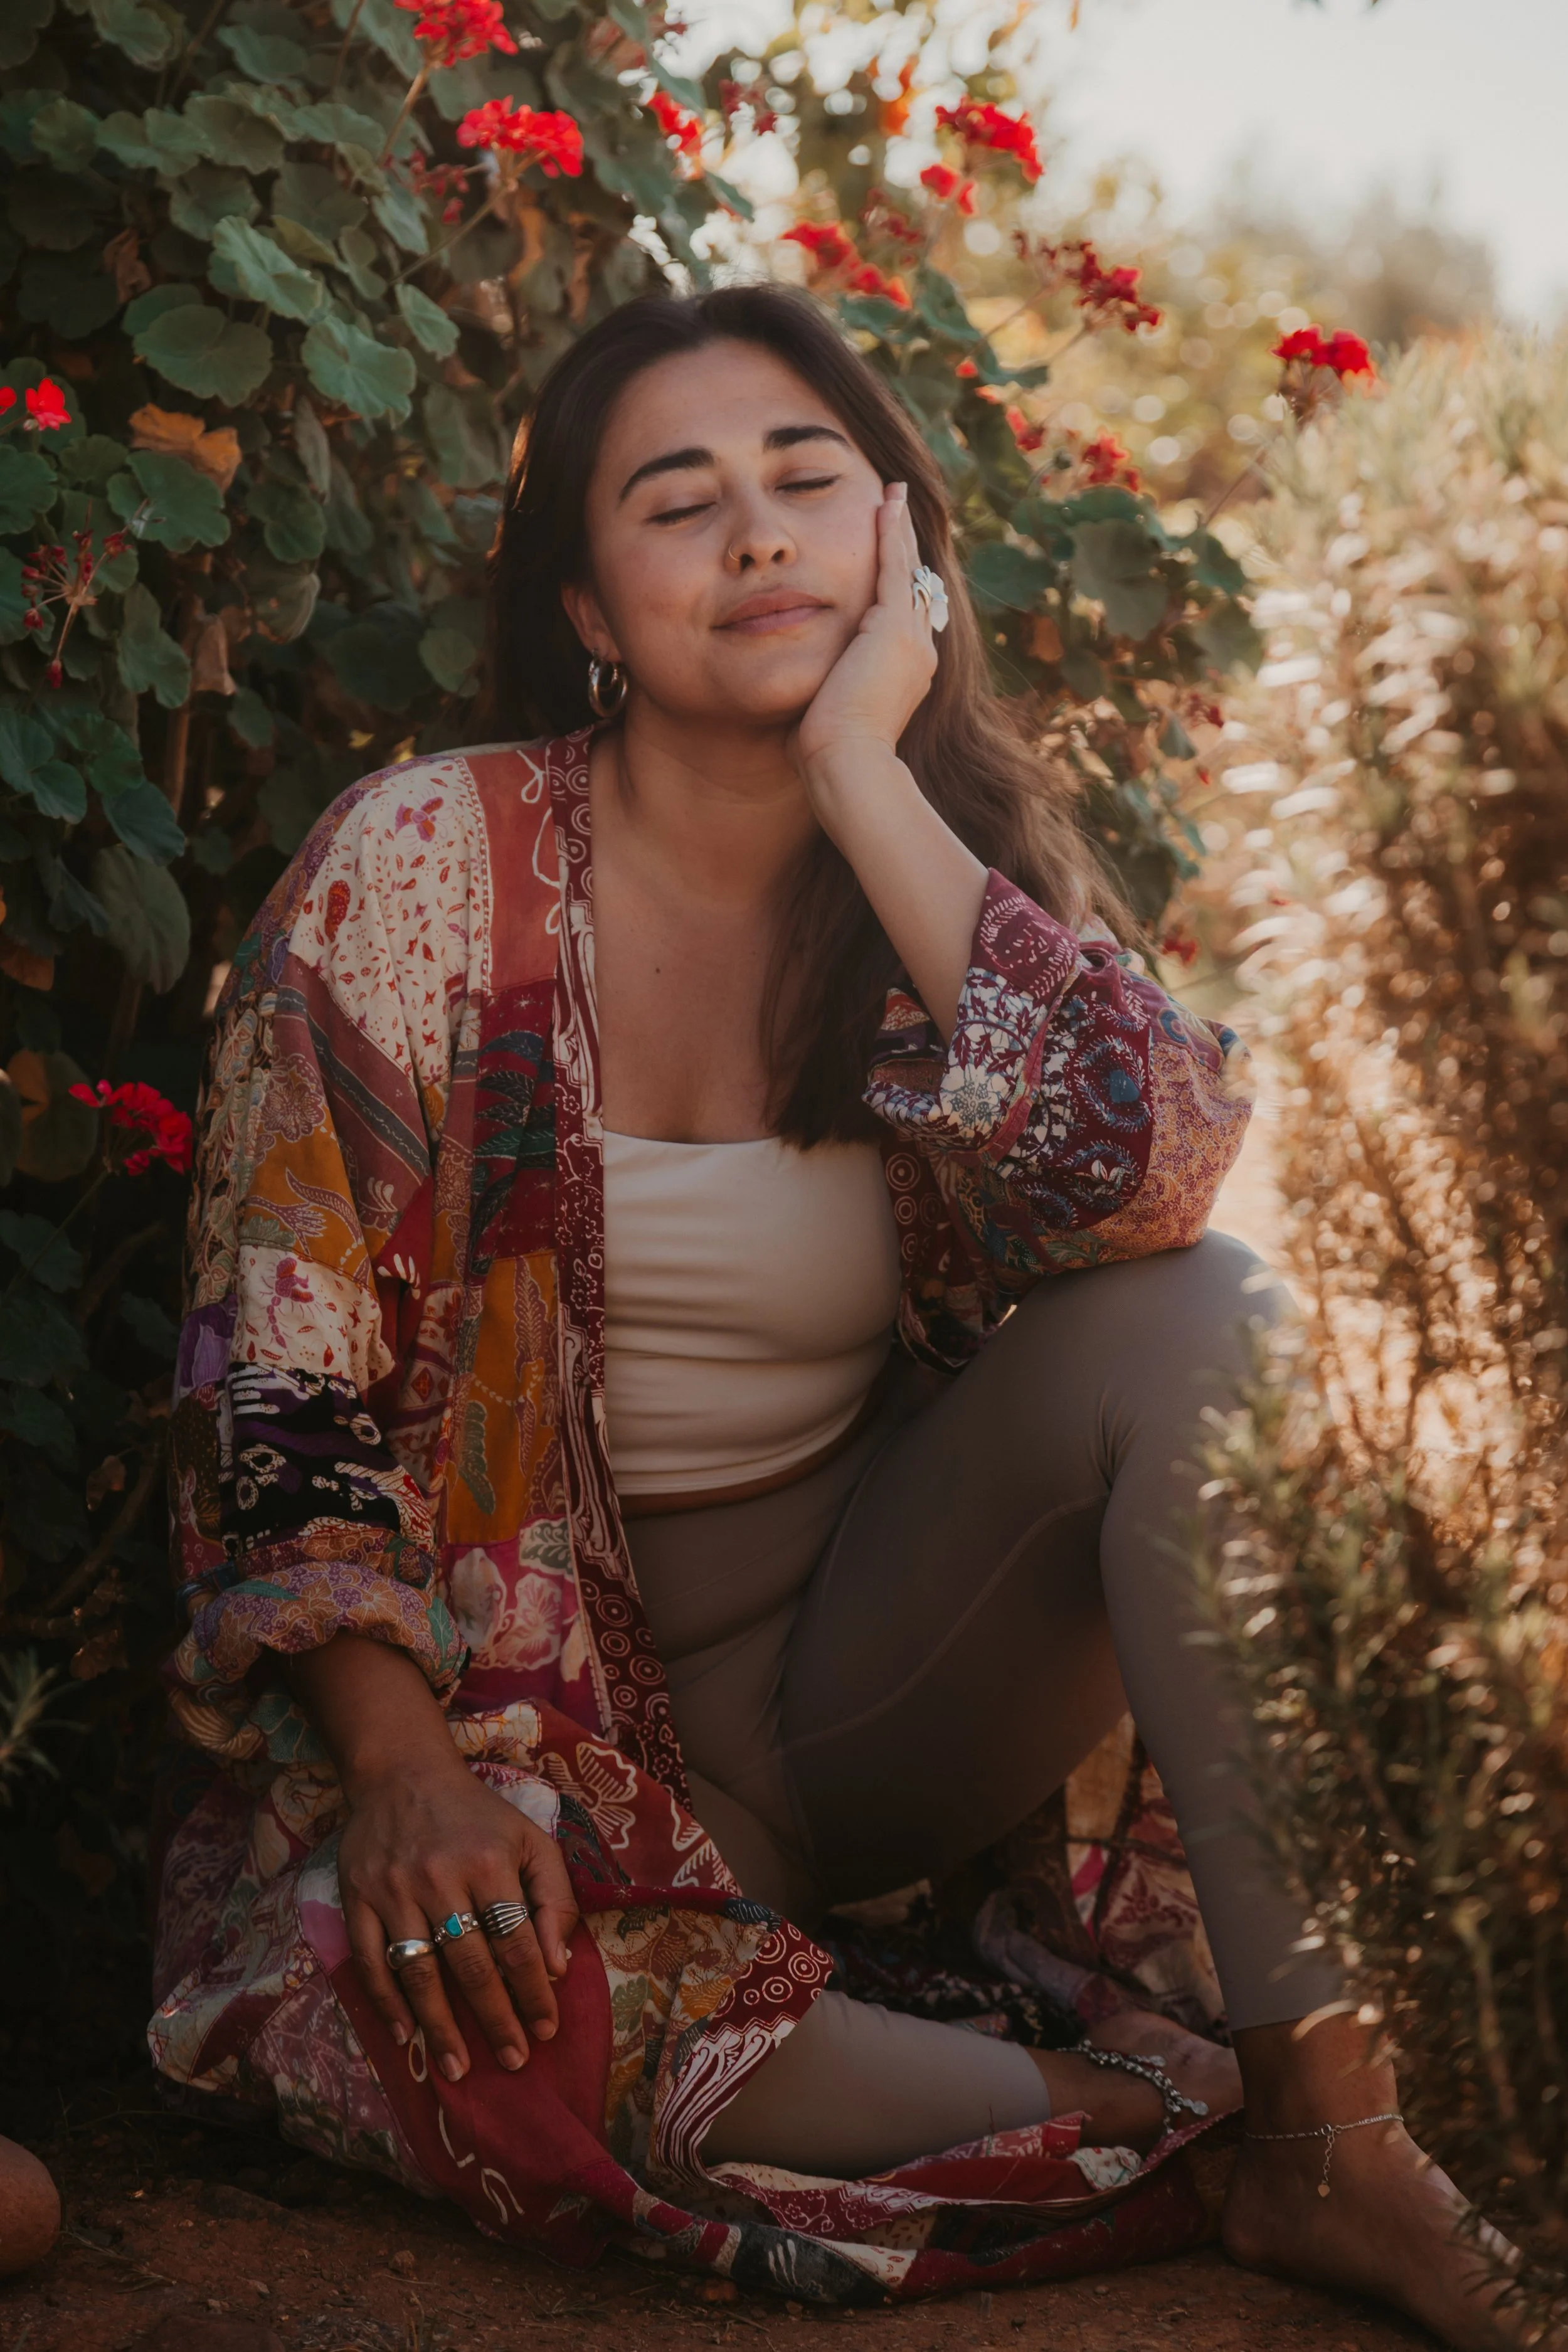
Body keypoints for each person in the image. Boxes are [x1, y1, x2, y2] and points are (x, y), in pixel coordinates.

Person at [154, 287, 1520, 2342]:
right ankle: (1118, 2112)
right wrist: (402, 1766)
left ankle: (1327, 2135)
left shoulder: (930, 888)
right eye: (677, 500)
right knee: (462, 1996)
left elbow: (1155, 1174)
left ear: (897, 540)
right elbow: (274, 1382)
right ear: (591, 610)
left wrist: (861, 771)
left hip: (874, 1690)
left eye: (805, 478)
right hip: (518, 1743)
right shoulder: (419, 868)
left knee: (1200, 1316)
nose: (758, 534)